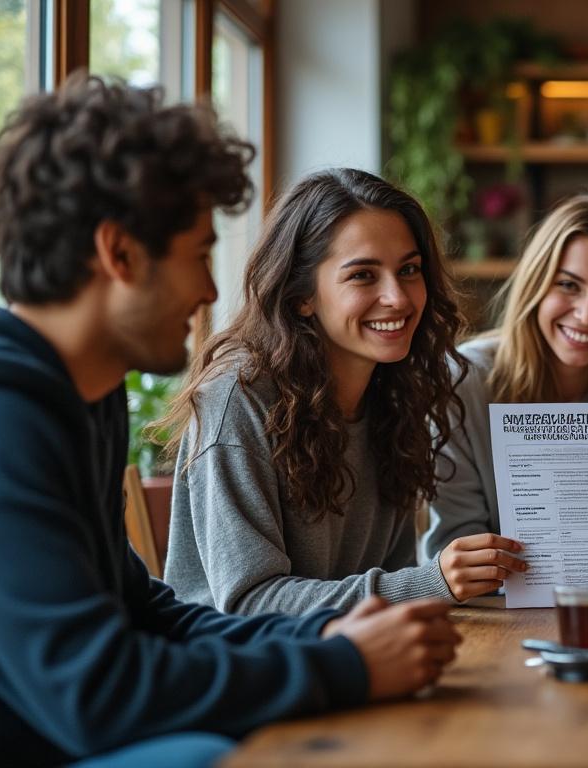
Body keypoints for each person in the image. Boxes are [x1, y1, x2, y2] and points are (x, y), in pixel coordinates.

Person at [0, 75, 459, 768]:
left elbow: (147, 611)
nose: (213, 289)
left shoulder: (85, 399)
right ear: (119, 253)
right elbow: (94, 696)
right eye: (198, 255)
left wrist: (324, 645)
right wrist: (343, 669)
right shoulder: (10, 417)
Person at [161, 168, 478, 613]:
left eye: (409, 270)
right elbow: (250, 601)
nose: (400, 298)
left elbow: (393, 570)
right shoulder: (239, 397)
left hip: (346, 659)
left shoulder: (394, 391)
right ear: (301, 295)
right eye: (363, 276)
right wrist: (429, 583)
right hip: (238, 667)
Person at [421, 191, 588, 600]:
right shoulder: (462, 382)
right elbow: (453, 544)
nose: (587, 314)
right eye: (568, 285)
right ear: (535, 285)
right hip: (488, 612)